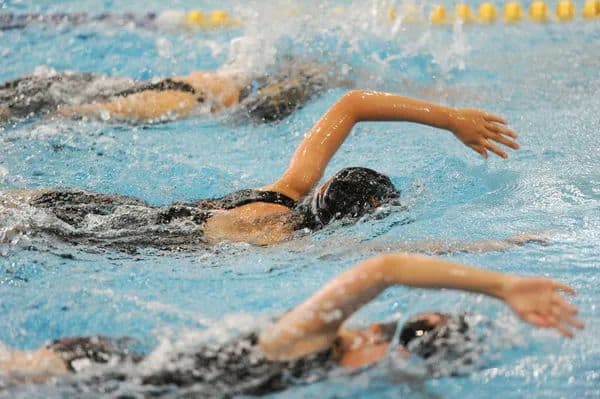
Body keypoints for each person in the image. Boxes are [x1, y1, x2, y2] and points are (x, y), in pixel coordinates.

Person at [0, 90, 520, 250]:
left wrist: (451, 118)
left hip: (115, 209)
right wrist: (499, 245)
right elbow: (390, 256)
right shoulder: (277, 235)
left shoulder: (287, 189)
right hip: (115, 234)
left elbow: (353, 104)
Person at [0, 253, 583, 396]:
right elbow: (382, 268)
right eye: (395, 369)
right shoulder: (302, 341)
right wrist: (502, 285)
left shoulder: (326, 364)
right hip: (82, 374)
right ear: (380, 342)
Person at [0, 60, 338, 124]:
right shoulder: (191, 98)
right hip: (86, 94)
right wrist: (73, 115)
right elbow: (121, 108)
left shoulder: (204, 83)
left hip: (74, 82)